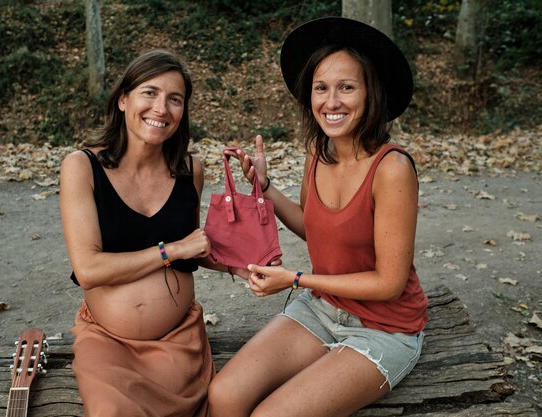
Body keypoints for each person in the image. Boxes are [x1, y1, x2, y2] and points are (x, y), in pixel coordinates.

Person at [208, 17, 428, 417]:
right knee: (223, 396)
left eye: (347, 87)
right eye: (321, 88)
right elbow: (313, 229)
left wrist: (294, 279)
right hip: (322, 308)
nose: (332, 101)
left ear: (370, 92)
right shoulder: (318, 151)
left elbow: (389, 283)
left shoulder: (392, 168)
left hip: (384, 329)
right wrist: (265, 185)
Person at [59, 49, 226, 417]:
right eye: (149, 93)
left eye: (175, 99)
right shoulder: (82, 166)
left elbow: (194, 248)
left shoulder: (190, 170)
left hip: (179, 343)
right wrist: (169, 251)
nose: (161, 108)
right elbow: (89, 269)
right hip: (109, 343)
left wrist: (244, 261)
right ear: (123, 99)